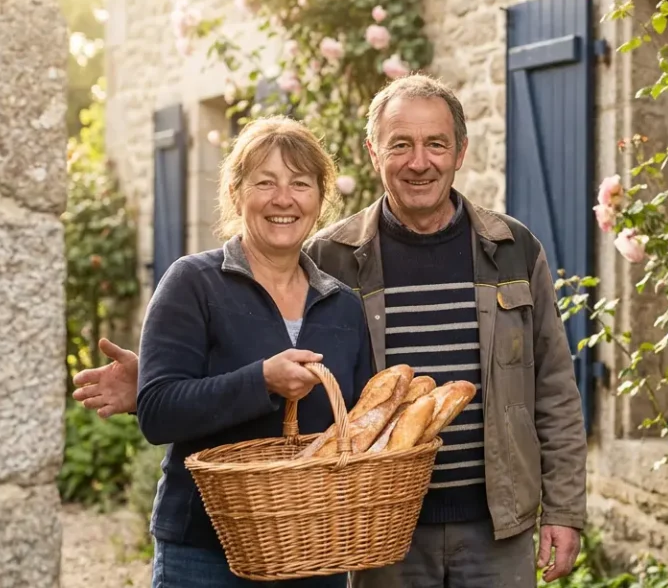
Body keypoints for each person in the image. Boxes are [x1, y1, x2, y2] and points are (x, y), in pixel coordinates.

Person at [73, 74, 587, 588]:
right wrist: (158, 388)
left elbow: (553, 389)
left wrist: (564, 507)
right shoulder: (332, 259)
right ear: (373, 153)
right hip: (351, 532)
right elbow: (315, 399)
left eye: (436, 144)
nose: (419, 161)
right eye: (400, 144)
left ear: (461, 151)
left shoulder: (503, 250)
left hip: (461, 524)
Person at [134, 116, 372, 588]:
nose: (283, 199)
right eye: (266, 182)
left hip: (313, 552)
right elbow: (157, 413)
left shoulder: (343, 305)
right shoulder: (193, 283)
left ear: (320, 199)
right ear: (237, 192)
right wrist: (260, 381)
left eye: (300, 184)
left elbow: (362, 429)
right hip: (204, 553)